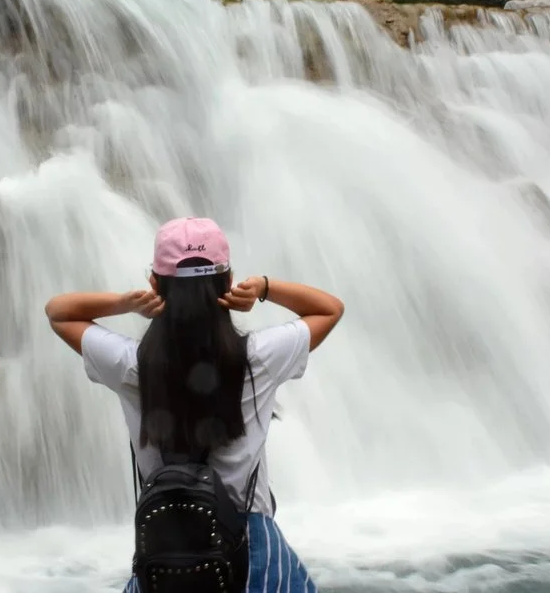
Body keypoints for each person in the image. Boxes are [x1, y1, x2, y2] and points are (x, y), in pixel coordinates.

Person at [44, 217, 344, 592]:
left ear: (155, 284)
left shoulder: (130, 364)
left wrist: (125, 303)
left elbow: (59, 312)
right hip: (251, 552)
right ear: (228, 281)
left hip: (168, 552)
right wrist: (264, 288)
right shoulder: (260, 357)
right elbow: (329, 309)